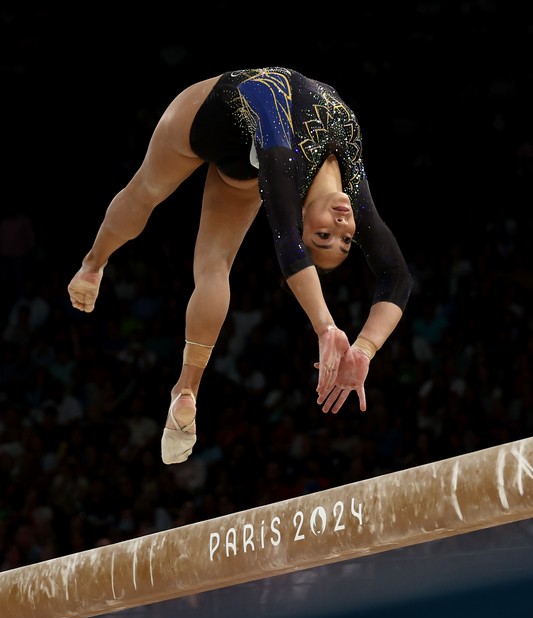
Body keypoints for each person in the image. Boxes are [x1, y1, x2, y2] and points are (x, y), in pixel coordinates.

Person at [67, 67, 413, 465]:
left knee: (149, 194)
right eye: (346, 239)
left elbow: (287, 241)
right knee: (210, 257)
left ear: (303, 218)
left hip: (210, 120)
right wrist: (363, 350)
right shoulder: (351, 183)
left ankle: (181, 383)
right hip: (247, 138)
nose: (340, 227)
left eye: (323, 238)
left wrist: (331, 330)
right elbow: (396, 274)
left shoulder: (282, 169)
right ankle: (98, 269)